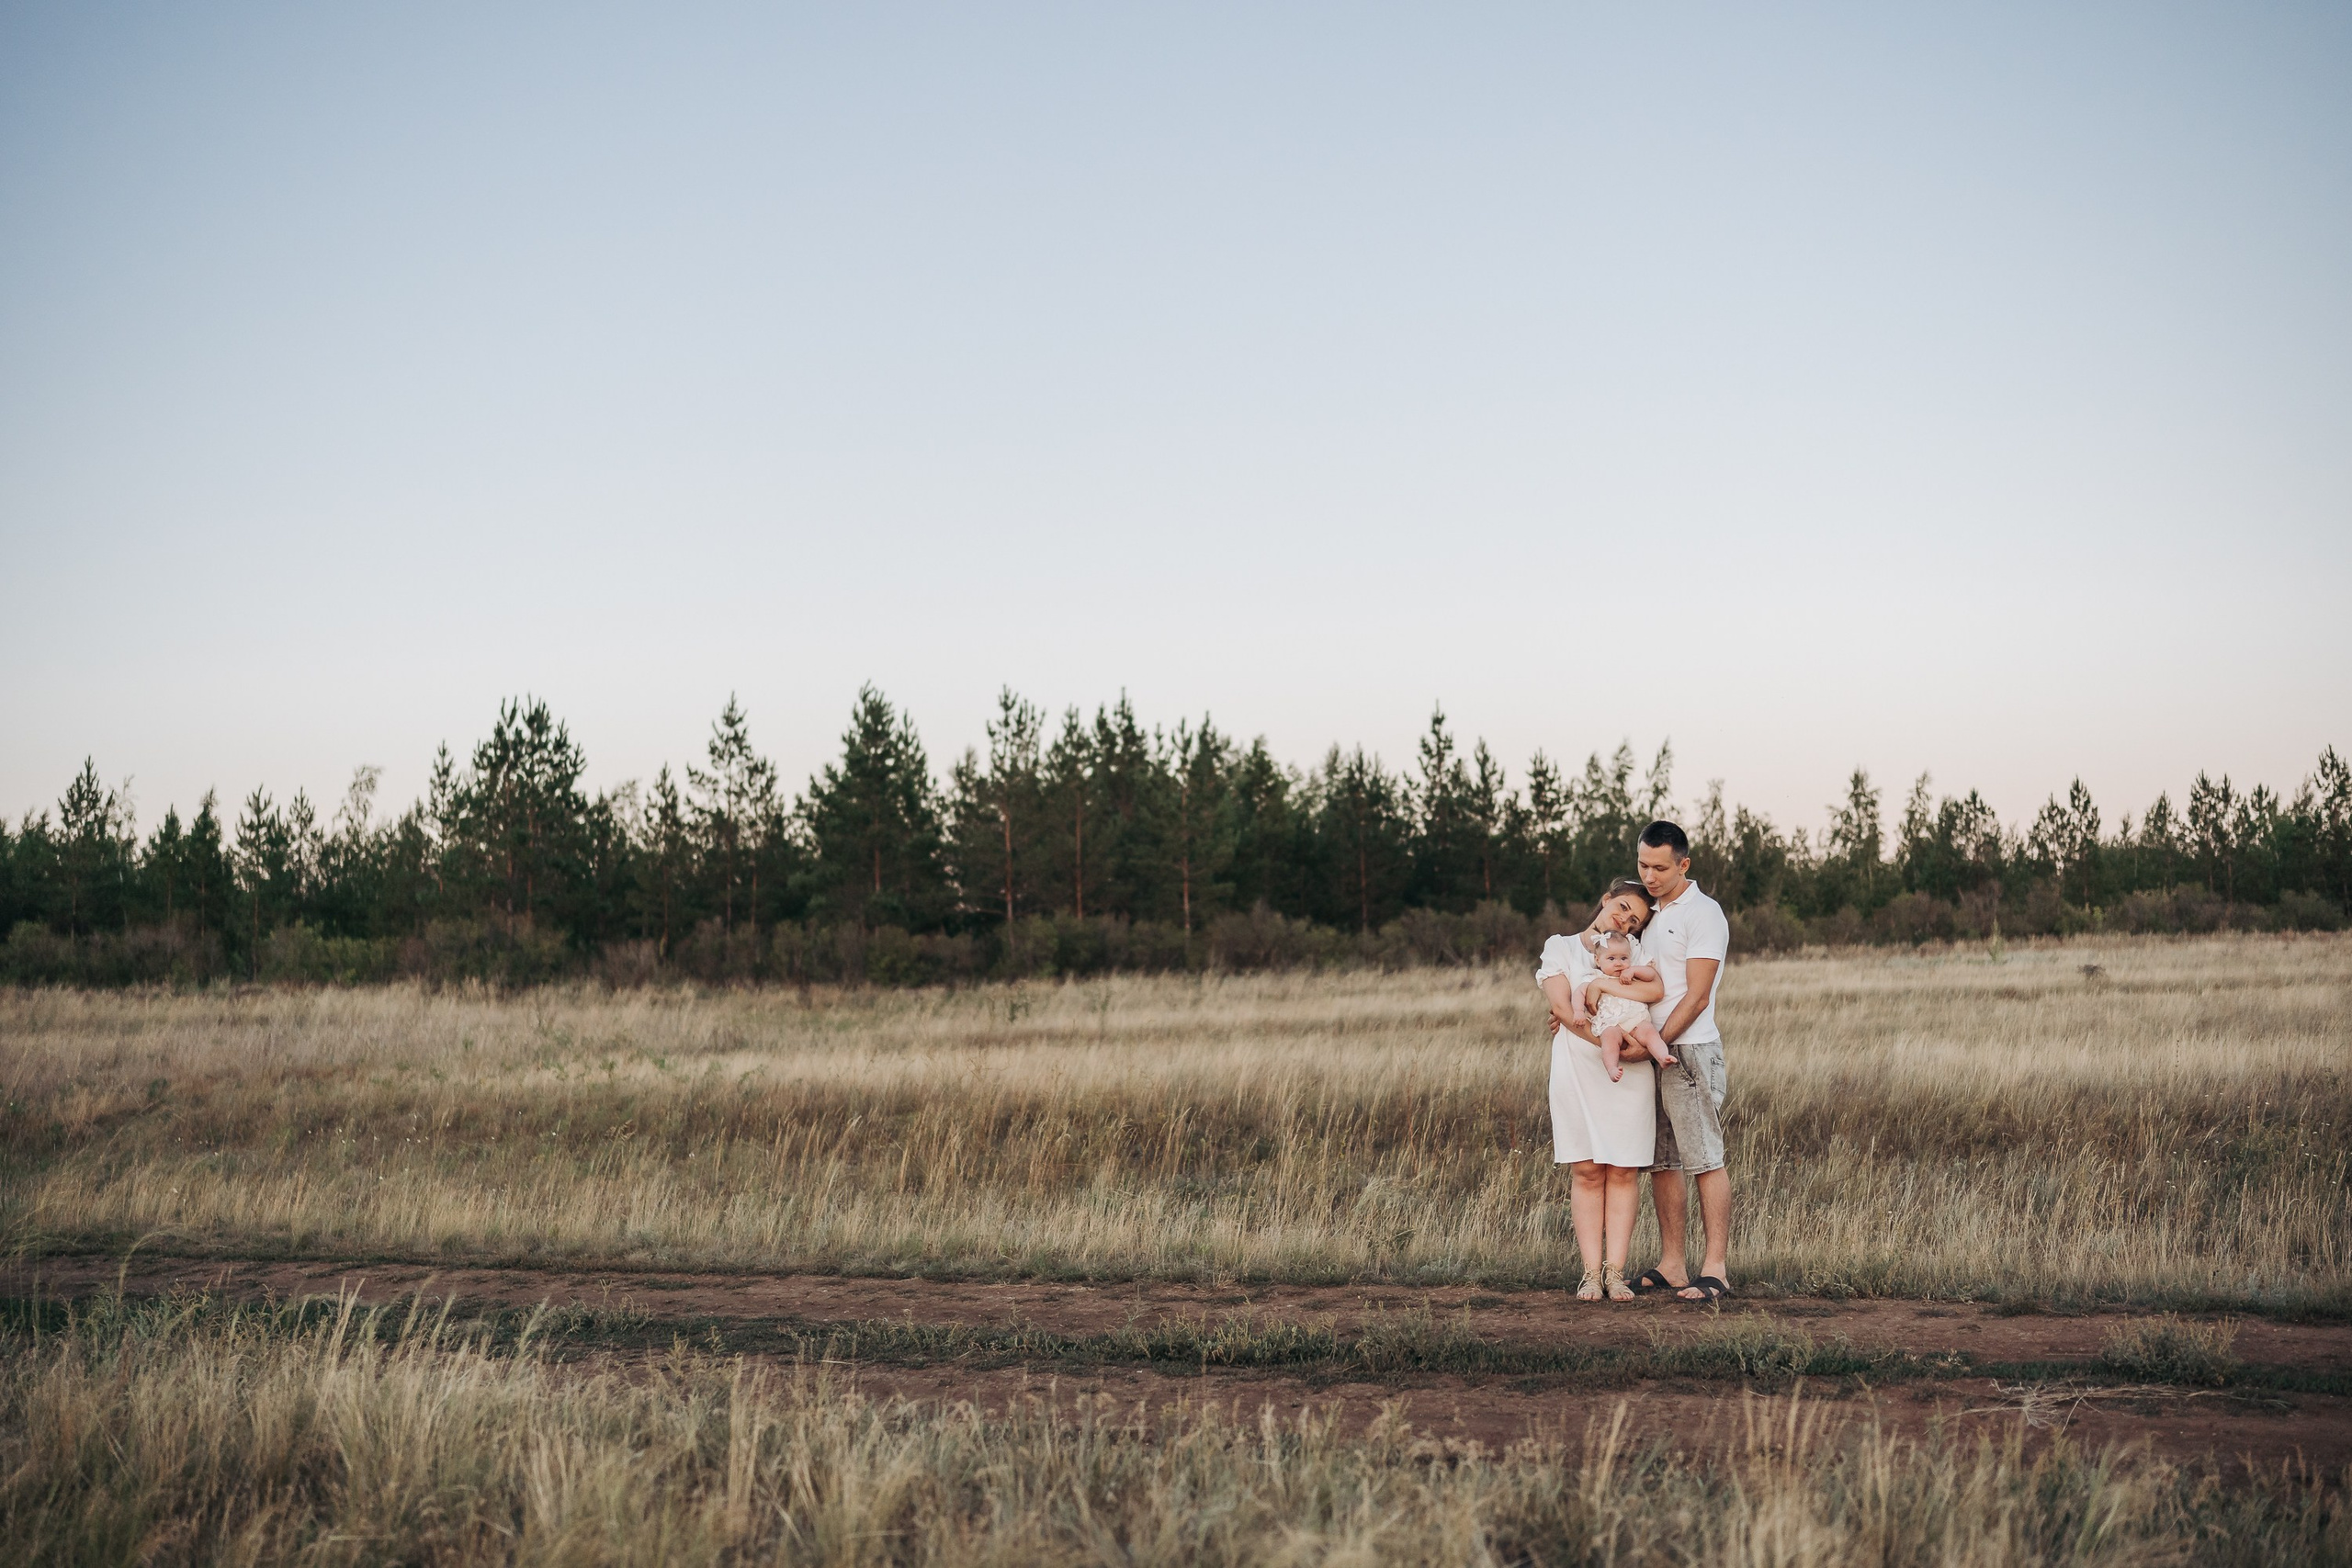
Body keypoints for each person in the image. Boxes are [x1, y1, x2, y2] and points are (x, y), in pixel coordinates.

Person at [1535, 879, 1663, 1301]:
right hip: (1579, 1066)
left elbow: (1652, 989)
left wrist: (1602, 986)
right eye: (1622, 907)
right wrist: (1615, 1042)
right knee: (1587, 1170)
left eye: (1634, 919)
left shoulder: (1637, 952)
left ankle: (1615, 1272)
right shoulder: (1562, 947)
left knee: (1624, 1169)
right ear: (1606, 899)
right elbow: (1559, 1005)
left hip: (1630, 1075)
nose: (1624, 919)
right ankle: (1590, 1273)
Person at [1623, 819, 1735, 1303]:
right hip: (1655, 1049)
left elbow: (1696, 996)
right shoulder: (1648, 914)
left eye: (1660, 868)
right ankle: (1672, 1264)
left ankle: (1715, 1270)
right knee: (1661, 1162)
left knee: (1704, 1159)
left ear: (1683, 864)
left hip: (1688, 1050)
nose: (1649, 876)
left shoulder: (1703, 913)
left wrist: (1656, 1044)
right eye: (1643, 865)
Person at [1587, 931, 1674, 1081]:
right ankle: (1612, 1068)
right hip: (1612, 1024)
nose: (1619, 963)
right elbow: (1581, 994)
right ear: (1598, 960)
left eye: (1624, 958)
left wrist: (1634, 970)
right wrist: (1577, 1011)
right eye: (1611, 958)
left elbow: (1652, 975)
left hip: (1636, 1021)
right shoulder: (1596, 978)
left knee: (1650, 1033)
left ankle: (1662, 1056)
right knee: (1609, 1040)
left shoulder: (1631, 974)